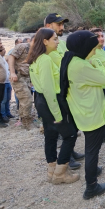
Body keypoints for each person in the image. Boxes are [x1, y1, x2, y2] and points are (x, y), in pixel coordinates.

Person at [60, 30, 105, 200]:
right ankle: (91, 186)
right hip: (91, 114)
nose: (95, 51)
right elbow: (104, 80)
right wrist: (98, 63)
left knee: (91, 148)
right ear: (85, 47)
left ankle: (93, 170)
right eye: (93, 48)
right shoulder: (82, 65)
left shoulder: (72, 59)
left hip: (83, 112)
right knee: (92, 150)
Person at [27, 28, 79, 185]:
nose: (58, 42)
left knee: (50, 135)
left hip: (42, 100)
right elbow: (49, 89)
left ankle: (52, 171)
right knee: (70, 135)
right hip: (50, 101)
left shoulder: (37, 58)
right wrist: (57, 114)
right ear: (45, 41)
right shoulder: (45, 60)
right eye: (55, 39)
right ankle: (60, 173)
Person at [44, 13, 84, 168]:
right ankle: (61, 161)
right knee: (56, 130)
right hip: (53, 93)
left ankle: (69, 153)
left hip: (63, 91)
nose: (62, 27)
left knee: (69, 125)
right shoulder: (45, 45)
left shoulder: (59, 42)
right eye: (58, 24)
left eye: (63, 24)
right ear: (48, 26)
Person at [8, 39, 34, 129]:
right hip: (18, 76)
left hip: (26, 77)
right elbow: (11, 57)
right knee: (27, 99)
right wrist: (12, 72)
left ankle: (23, 121)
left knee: (24, 100)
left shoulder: (35, 50)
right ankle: (27, 123)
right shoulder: (22, 46)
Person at [0, 49, 13, 121]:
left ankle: (8, 113)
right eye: (3, 49)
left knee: (8, 98)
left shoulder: (4, 59)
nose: (4, 50)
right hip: (3, 82)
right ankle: (3, 114)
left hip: (8, 81)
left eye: (4, 49)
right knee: (3, 100)